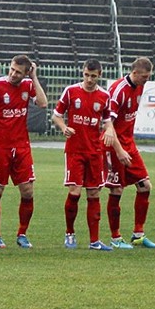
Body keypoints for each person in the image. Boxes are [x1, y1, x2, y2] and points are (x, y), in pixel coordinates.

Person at [0, 54, 47, 249]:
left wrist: (34, 77)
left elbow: (43, 104)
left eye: (18, 72)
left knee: (28, 191)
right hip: (0, 146)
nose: (12, 74)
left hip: (21, 147)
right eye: (11, 69)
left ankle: (22, 234)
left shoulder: (28, 86)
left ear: (26, 73)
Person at [52, 59, 117, 251]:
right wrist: (64, 127)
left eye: (93, 76)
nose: (89, 79)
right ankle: (69, 233)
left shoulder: (104, 96)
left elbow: (107, 120)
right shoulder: (71, 92)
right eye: (87, 75)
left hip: (94, 151)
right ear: (83, 72)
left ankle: (94, 241)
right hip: (75, 150)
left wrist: (110, 130)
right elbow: (56, 114)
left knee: (94, 192)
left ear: (100, 75)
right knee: (75, 191)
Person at [105, 57, 155, 249]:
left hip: (130, 144)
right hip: (114, 145)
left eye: (148, 77)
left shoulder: (139, 86)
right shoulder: (118, 90)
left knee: (145, 186)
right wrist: (118, 150)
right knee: (116, 189)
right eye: (144, 77)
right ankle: (115, 238)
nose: (146, 80)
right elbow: (108, 123)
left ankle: (138, 234)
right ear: (134, 73)